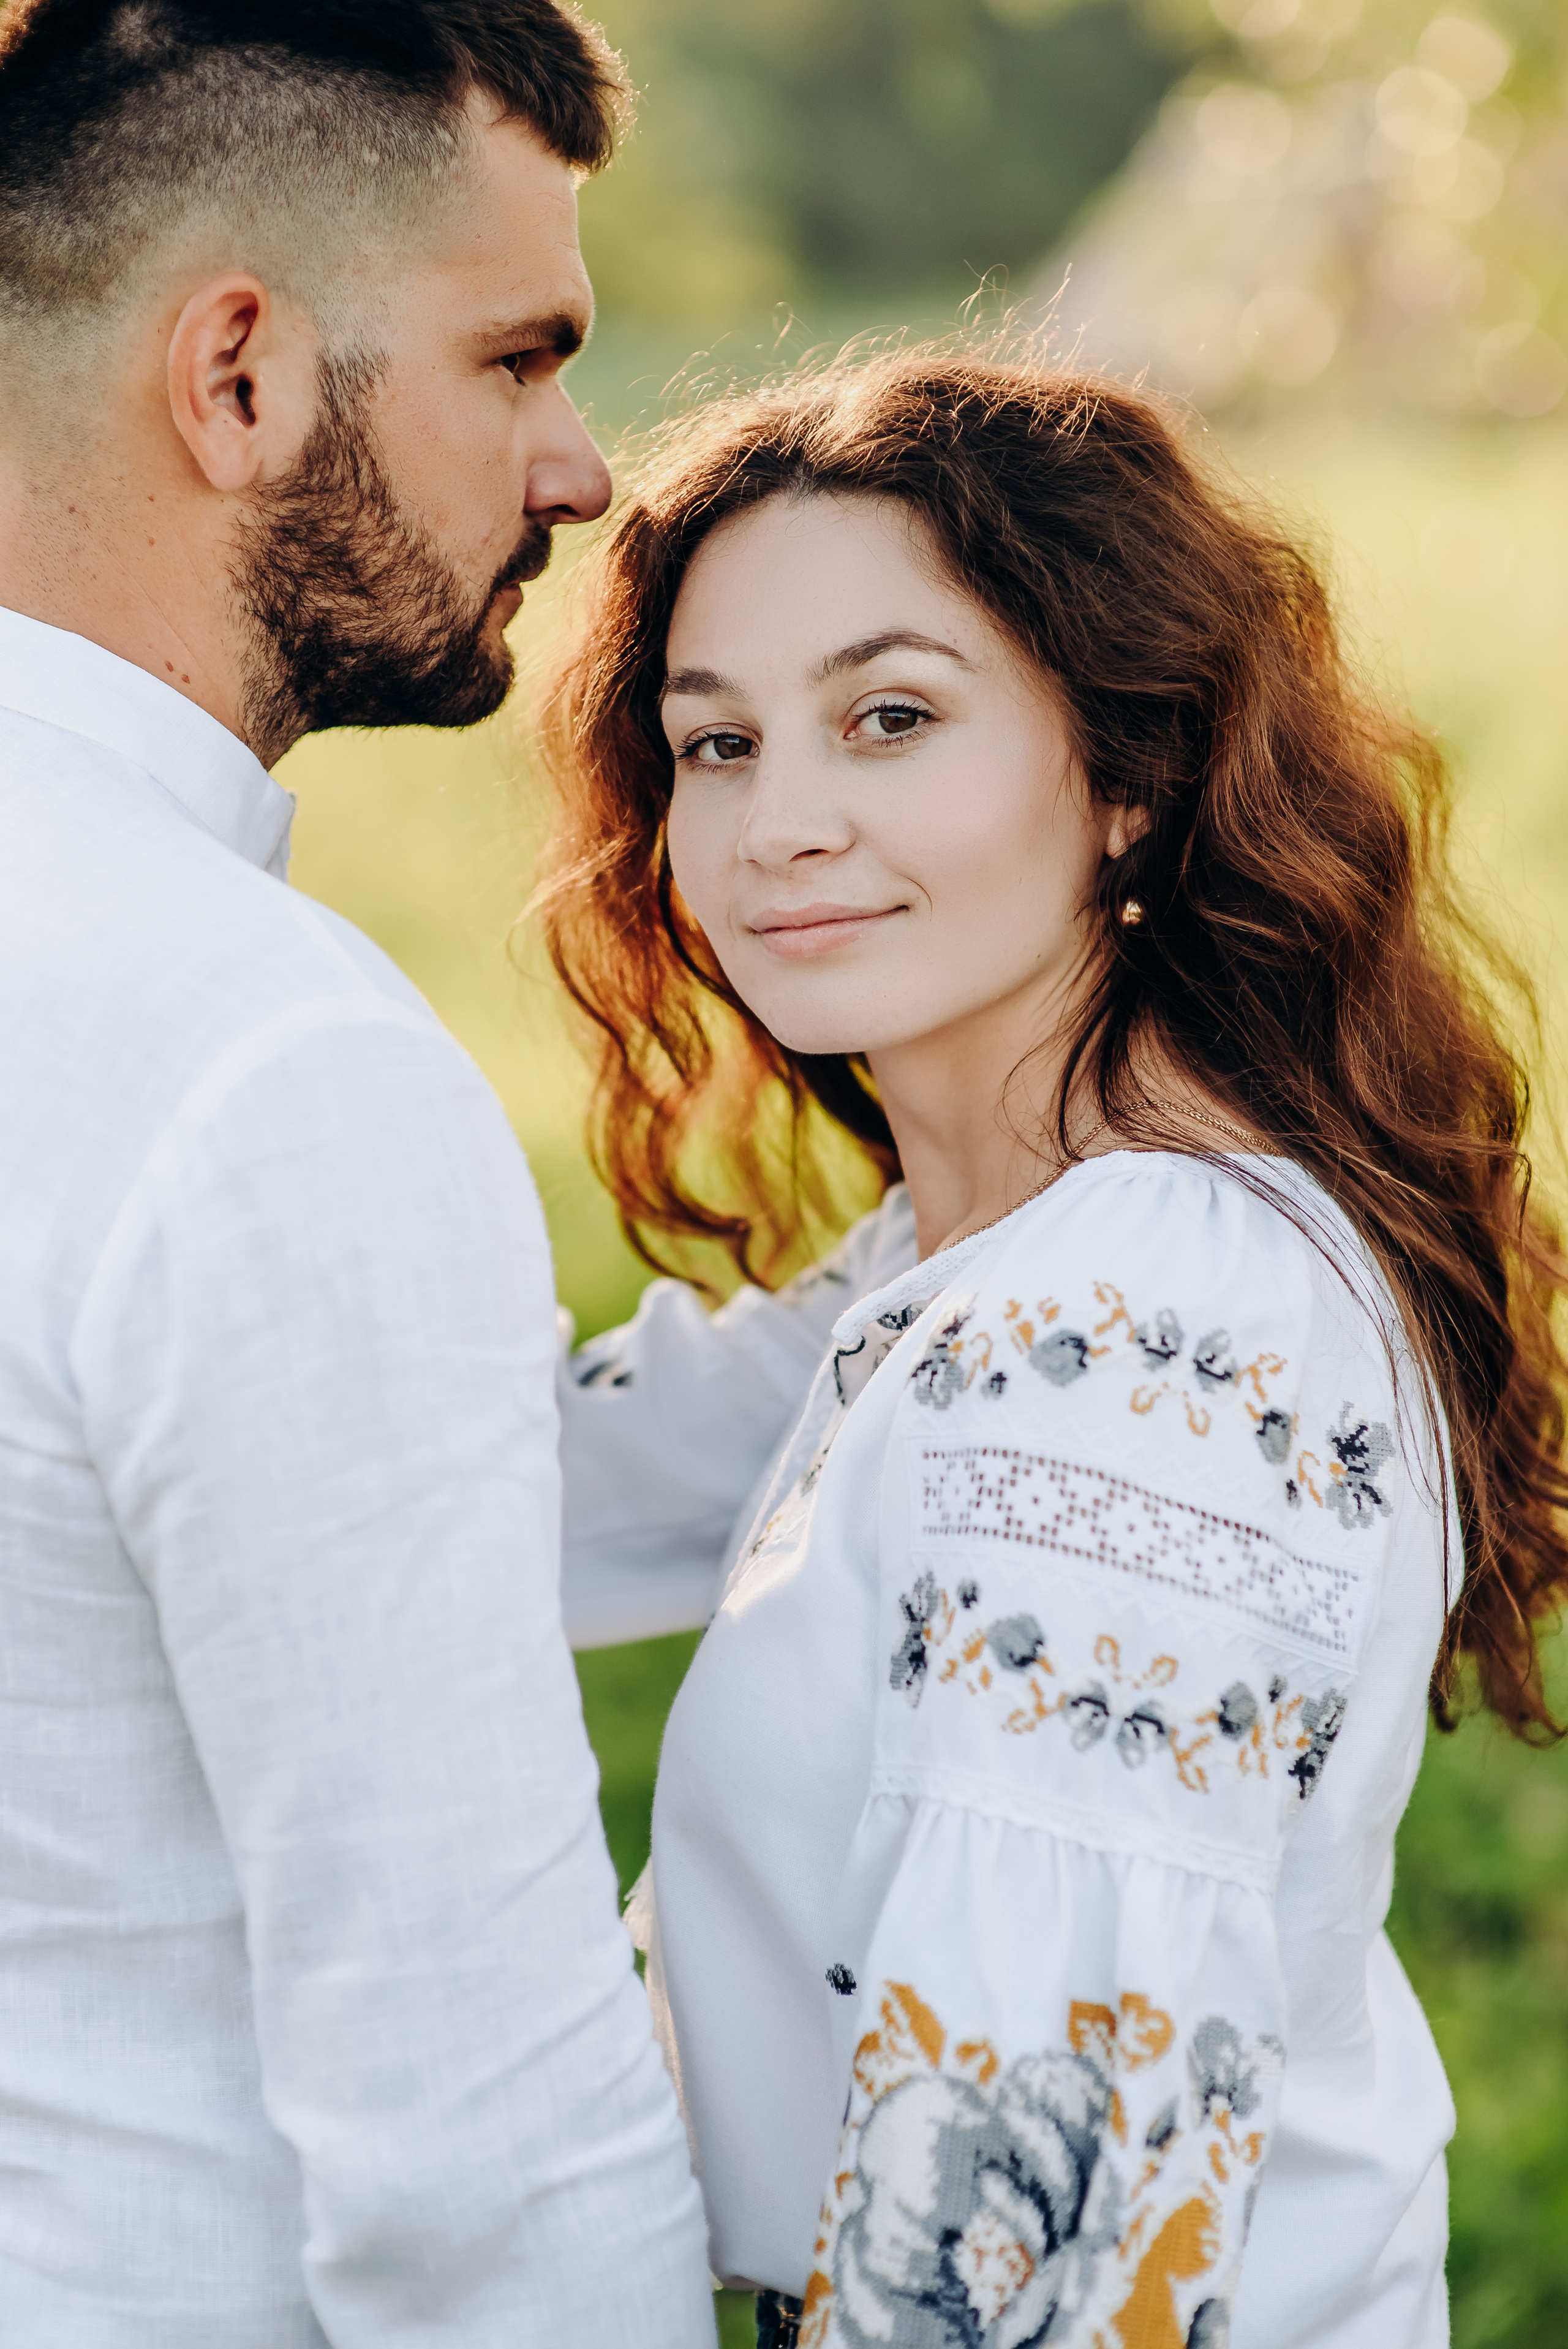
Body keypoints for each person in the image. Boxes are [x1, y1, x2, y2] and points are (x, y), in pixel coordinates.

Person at [543, 347, 1568, 2348]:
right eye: (718, 742)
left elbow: (1027, 2236)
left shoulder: (1136, 1334)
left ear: (1130, 771)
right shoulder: (978, 1265)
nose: (779, 824)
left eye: (891, 718)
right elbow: (468, 1496)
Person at [0, 4, 714, 2342]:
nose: (585, 470)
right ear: (238, 375)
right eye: (518, 359)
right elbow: (487, 2165)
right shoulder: (267, 1071)